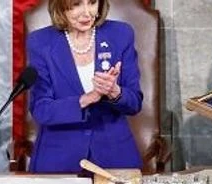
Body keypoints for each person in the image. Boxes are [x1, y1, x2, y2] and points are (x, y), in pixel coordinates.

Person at [26, 0, 143, 173]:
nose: (87, 13)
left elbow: (134, 103)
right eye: (76, 4)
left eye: (92, 2)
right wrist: (87, 98)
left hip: (114, 155)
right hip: (59, 157)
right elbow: (41, 110)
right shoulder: (40, 42)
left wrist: (114, 92)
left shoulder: (120, 34)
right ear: (60, 7)